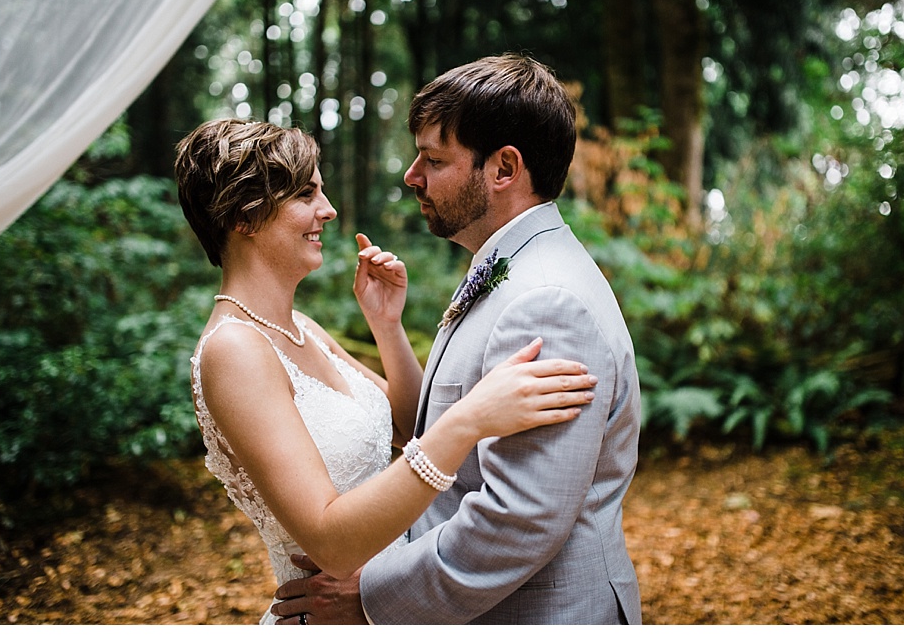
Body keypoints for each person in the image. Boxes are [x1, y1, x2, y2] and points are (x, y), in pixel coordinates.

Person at [174, 117, 599, 625]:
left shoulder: (298, 328)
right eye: (306, 195)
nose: (328, 211)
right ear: (245, 216)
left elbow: (407, 428)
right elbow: (329, 541)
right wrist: (470, 419)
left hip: (389, 602)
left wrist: (387, 326)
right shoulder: (235, 350)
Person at [272, 53, 643, 624]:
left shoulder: (546, 300)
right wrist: (388, 328)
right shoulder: (515, 269)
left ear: (503, 168)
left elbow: (520, 519)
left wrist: (369, 597)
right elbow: (445, 437)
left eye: (433, 158)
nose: (411, 175)